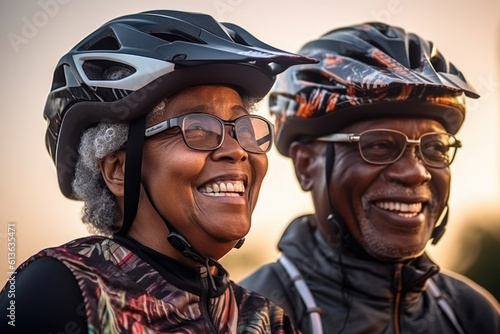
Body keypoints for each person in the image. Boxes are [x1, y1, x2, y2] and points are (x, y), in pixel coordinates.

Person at [0, 10, 316, 333]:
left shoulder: (266, 319)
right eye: (198, 128)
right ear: (119, 169)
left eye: (243, 127)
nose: (236, 150)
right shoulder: (60, 292)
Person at [240, 22, 500, 334]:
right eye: (378, 146)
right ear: (306, 165)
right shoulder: (252, 320)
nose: (416, 171)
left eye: (435, 148)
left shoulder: (472, 313)